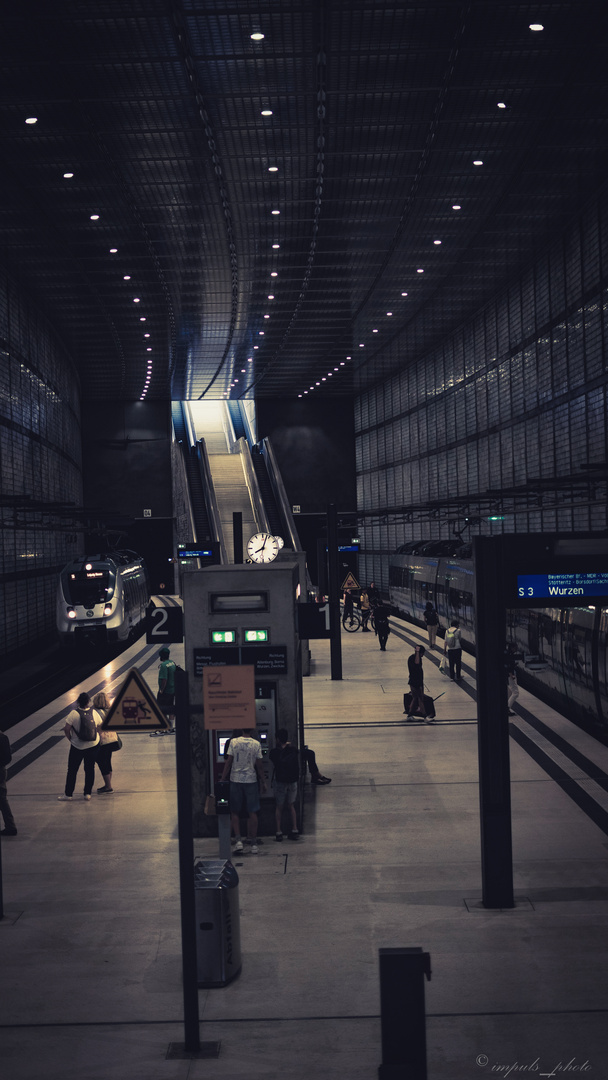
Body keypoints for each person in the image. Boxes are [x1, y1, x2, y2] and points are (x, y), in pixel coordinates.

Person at [221, 728, 267, 854]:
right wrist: (263, 781)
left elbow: (229, 762)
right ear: (251, 731)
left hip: (235, 780)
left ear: (241, 730)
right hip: (251, 781)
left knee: (234, 812)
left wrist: (223, 778)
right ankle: (253, 844)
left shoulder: (233, 742)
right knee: (253, 812)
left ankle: (238, 841)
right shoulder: (256, 744)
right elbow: (260, 765)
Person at [58, 692, 101, 801]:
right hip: (93, 745)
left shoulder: (73, 713)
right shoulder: (94, 712)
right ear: (88, 702)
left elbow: (67, 729)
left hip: (77, 746)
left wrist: (71, 739)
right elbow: (100, 727)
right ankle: (87, 794)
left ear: (78, 702)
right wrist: (97, 737)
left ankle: (68, 795)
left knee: (72, 770)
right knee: (90, 769)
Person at [269, 728, 300, 841]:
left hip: (280, 781)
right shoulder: (293, 750)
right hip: (292, 781)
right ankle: (295, 830)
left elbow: (272, 760)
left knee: (279, 807)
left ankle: (278, 832)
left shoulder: (274, 752)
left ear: (277, 739)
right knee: (291, 805)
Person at [93, 691, 120, 793]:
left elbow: (97, 727)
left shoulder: (96, 713)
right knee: (107, 761)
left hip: (103, 741)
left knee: (101, 762)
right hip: (112, 739)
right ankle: (108, 784)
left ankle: (108, 787)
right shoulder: (110, 711)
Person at [0, 729, 17, 836]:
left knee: (2, 800)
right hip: (2, 770)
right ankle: (10, 826)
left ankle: (10, 826)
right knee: (2, 799)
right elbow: (7, 758)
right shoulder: (3, 737)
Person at [156, 646, 176, 730]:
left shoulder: (164, 666)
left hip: (166, 691)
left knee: (161, 709)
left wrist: (161, 690)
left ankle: (164, 727)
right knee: (171, 708)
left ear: (162, 656)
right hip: (172, 690)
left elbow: (164, 679)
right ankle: (170, 726)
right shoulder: (172, 663)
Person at [406, 645, 426, 716]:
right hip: (415, 681)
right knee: (420, 698)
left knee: (415, 698)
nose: (423, 655)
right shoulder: (413, 658)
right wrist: (417, 651)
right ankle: (424, 715)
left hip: (417, 681)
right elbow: (416, 663)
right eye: (422, 653)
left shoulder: (418, 658)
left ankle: (410, 714)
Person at [506, 644, 520, 716]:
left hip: (508, 676)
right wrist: (511, 675)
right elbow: (508, 666)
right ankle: (507, 709)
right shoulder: (510, 655)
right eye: (515, 647)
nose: (517, 649)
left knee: (510, 692)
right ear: (512, 647)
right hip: (511, 676)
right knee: (515, 693)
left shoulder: (508, 654)